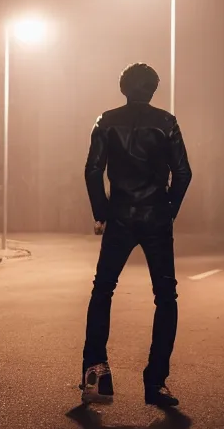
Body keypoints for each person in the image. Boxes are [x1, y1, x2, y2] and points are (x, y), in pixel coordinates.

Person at [80, 62, 192, 407]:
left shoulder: (106, 120)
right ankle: (156, 383)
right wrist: (167, 210)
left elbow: (93, 170)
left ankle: (96, 373)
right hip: (156, 216)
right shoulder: (166, 122)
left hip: (120, 217)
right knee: (165, 296)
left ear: (123, 88)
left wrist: (102, 213)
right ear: (154, 90)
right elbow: (184, 173)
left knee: (103, 289)